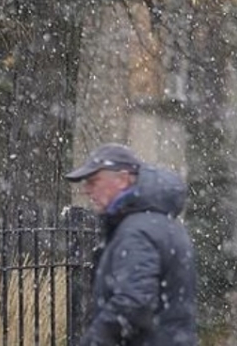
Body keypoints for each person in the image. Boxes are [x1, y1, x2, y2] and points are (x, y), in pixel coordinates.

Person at [65, 142, 197, 346]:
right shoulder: (161, 223)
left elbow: (134, 302)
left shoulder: (136, 231)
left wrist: (94, 340)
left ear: (123, 179)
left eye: (94, 181)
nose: (87, 190)